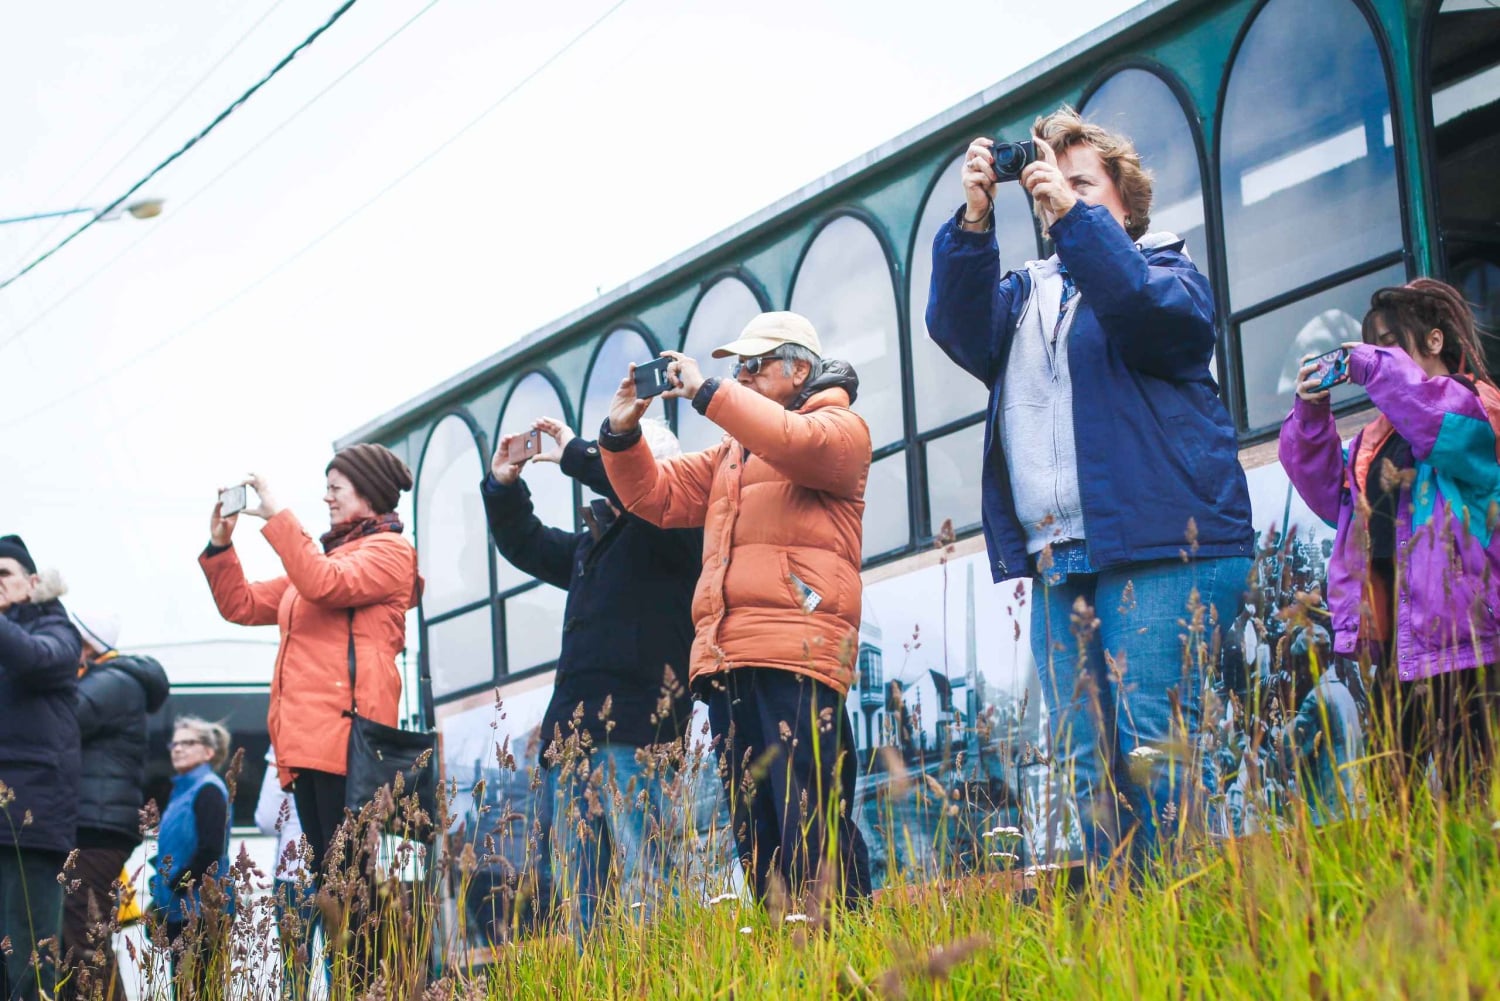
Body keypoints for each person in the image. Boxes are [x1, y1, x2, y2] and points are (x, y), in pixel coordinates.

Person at [925, 107, 1254, 868]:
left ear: (1125, 201)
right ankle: (1128, 939)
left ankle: (1185, 931)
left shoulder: (1168, 268)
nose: (1054, 190)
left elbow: (1143, 310)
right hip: (1060, 556)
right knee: (1086, 765)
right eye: (1047, 178)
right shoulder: (1025, 293)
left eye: (1079, 181)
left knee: (1153, 748)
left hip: (1161, 545)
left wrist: (1073, 219)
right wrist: (974, 224)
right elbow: (960, 329)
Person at [599, 310, 873, 905]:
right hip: (731, 659)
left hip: (798, 652)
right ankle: (787, 957)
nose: (741, 377)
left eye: (753, 366)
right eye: (736, 369)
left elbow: (791, 441)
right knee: (758, 837)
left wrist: (705, 390)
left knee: (811, 820)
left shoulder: (840, 428)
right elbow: (656, 495)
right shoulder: (734, 452)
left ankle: (849, 949)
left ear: (799, 368)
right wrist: (621, 433)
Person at [198, 445, 420, 987]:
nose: (325, 497)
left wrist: (276, 514)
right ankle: (357, 986)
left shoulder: (389, 552)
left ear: (368, 493)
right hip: (310, 745)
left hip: (349, 741)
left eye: (336, 487)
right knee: (335, 883)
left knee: (351, 884)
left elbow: (324, 583)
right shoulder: (324, 562)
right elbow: (243, 604)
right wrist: (220, 544)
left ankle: (368, 987)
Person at [481, 415, 700, 938]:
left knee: (648, 881)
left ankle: (662, 986)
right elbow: (526, 543)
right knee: (582, 894)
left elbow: (641, 489)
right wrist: (503, 485)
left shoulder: (678, 527)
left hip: (636, 735)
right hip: (573, 740)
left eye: (627, 459)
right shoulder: (593, 542)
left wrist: (578, 452)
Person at [1280, 277, 1500, 795]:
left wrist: (1373, 367)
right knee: (1391, 804)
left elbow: (1432, 418)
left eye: (1390, 343)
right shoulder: (1374, 442)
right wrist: (1310, 414)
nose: (1379, 357)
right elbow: (1323, 491)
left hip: (1473, 648)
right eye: (1373, 346)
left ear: (1435, 341)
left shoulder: (1477, 409)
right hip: (1401, 651)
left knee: (1476, 794)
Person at [62, 609, 170, 1001]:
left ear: (85, 643)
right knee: (80, 934)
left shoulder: (110, 681)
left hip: (95, 825)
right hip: (96, 822)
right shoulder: (111, 680)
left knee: (83, 937)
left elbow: (60, 720)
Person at [0, 536, 82, 1001]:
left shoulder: (57, 630)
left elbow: (33, 658)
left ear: (32, 582)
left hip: (28, 824)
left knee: (27, 960)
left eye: (3, 574)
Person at [149, 717, 233, 1001]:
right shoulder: (178, 791)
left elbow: (211, 850)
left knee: (201, 990)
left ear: (209, 752)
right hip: (178, 907)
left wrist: (177, 883)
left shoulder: (208, 789)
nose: (178, 749)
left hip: (201, 909)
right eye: (175, 743)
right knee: (184, 991)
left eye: (188, 743)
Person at [254, 747, 319, 1000]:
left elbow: (268, 820)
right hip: (348, 866)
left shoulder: (284, 742)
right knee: (346, 967)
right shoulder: (350, 726)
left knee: (295, 973)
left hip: (294, 871)